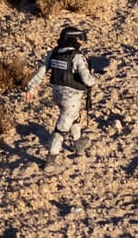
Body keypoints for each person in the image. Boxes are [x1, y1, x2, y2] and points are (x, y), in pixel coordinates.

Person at [25, 25, 97, 171]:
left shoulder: (54, 53)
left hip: (57, 95)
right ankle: (50, 159)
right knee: (62, 128)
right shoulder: (76, 57)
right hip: (71, 98)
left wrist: (31, 88)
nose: (81, 42)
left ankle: (78, 144)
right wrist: (93, 79)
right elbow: (87, 79)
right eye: (79, 39)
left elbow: (41, 71)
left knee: (75, 118)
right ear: (72, 39)